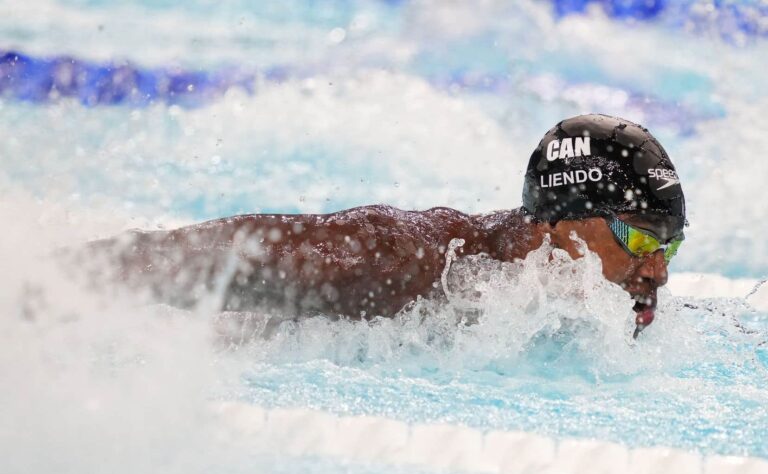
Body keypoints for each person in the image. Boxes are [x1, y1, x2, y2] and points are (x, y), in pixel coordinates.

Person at [88, 114, 685, 338]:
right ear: (561, 224)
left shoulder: (583, 315)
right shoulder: (405, 261)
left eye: (670, 246)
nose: (656, 269)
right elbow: (215, 255)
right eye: (641, 239)